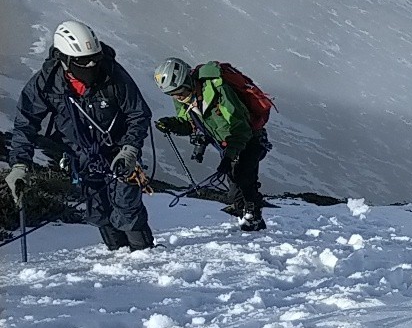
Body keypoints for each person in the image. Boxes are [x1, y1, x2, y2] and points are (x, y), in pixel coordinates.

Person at [5, 20, 156, 251]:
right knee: (99, 209)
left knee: (126, 205)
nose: (92, 64)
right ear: (64, 59)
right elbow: (26, 124)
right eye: (83, 61)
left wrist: (130, 150)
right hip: (83, 158)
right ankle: (119, 257)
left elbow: (138, 114)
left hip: (119, 151)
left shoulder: (113, 74)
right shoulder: (46, 84)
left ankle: (144, 256)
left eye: (95, 58)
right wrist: (19, 165)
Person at [152, 57, 270, 231]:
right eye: (172, 94)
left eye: (179, 92)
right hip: (227, 143)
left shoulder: (219, 90)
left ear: (188, 82)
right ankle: (245, 214)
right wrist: (171, 124)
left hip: (248, 138)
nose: (178, 97)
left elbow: (240, 127)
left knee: (244, 177)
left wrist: (230, 154)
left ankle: (254, 218)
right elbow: (190, 123)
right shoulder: (184, 97)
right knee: (236, 182)